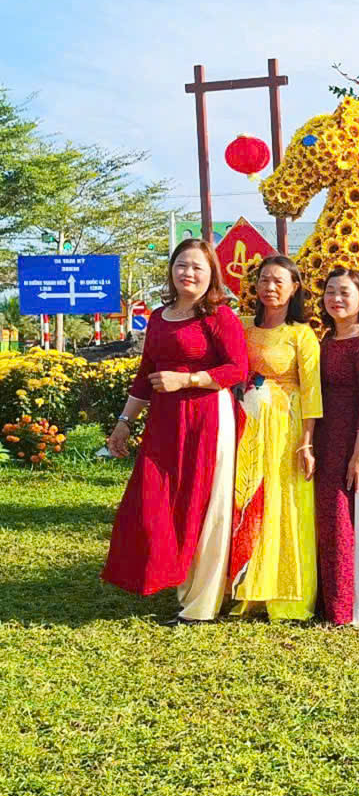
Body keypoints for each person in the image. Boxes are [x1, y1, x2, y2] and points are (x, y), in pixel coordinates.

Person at [102, 239, 248, 624]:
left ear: (212, 274)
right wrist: (124, 423)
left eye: (198, 267)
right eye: (182, 265)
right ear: (171, 269)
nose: (189, 273)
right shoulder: (158, 317)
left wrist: (187, 380)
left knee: (204, 504)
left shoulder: (219, 316)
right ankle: (170, 574)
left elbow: (237, 369)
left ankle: (200, 604)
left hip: (207, 418)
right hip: (164, 422)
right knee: (153, 499)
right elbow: (145, 375)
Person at [228, 255, 322, 622]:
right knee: (248, 498)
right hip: (248, 426)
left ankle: (285, 591)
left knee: (283, 502)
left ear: (294, 288)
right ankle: (247, 584)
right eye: (265, 280)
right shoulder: (242, 328)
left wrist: (307, 442)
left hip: (286, 429)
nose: (270, 287)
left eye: (279, 281)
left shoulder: (301, 334)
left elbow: (312, 393)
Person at [314, 268, 359, 626]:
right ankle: (327, 598)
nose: (336, 299)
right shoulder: (325, 340)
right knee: (326, 518)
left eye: (345, 292)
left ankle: (348, 603)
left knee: (346, 519)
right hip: (324, 438)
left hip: (354, 441)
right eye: (330, 291)